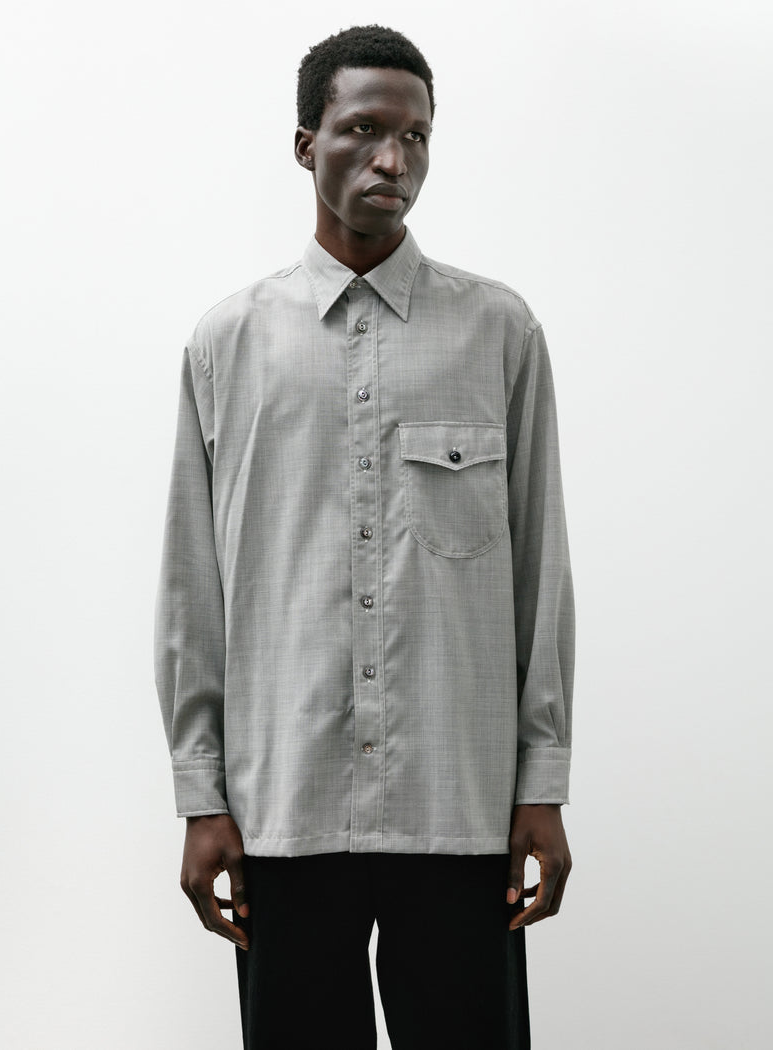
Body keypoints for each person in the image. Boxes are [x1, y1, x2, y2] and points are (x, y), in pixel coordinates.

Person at [154, 24, 574, 1050]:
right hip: (283, 805)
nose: (394, 159)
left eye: (416, 136)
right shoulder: (227, 344)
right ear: (307, 145)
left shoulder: (499, 334)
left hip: (458, 801)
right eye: (364, 130)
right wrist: (200, 796)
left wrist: (543, 782)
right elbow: (192, 588)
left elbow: (540, 572)